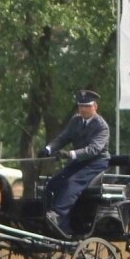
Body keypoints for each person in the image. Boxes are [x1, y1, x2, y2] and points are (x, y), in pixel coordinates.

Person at [39, 90, 110, 236]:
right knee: (54, 183)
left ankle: (57, 215)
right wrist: (49, 148)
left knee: (72, 183)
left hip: (96, 162)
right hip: (79, 161)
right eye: (80, 106)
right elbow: (63, 138)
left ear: (95, 106)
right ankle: (49, 218)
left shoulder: (102, 126)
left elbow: (93, 149)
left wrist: (70, 154)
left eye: (86, 106)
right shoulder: (75, 121)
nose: (82, 109)